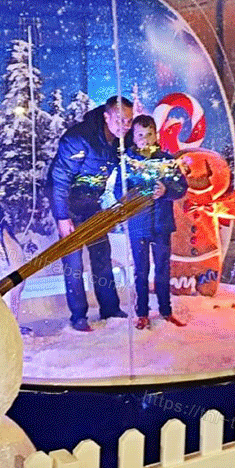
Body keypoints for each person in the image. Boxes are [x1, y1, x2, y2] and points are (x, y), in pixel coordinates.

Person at [47, 95, 133, 332]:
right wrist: (62, 217)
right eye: (119, 120)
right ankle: (78, 316)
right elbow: (59, 180)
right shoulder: (78, 139)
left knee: (101, 255)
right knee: (74, 262)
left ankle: (110, 308)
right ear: (106, 117)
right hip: (68, 204)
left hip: (92, 204)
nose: (124, 126)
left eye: (128, 121)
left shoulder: (120, 141)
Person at [114, 114, 188, 329]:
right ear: (133, 137)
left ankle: (166, 310)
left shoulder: (167, 160)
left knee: (163, 268)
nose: (145, 140)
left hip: (162, 224)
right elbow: (120, 189)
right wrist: (133, 197)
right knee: (141, 269)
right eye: (140, 135)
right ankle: (142, 313)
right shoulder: (127, 163)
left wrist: (166, 191)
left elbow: (181, 187)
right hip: (138, 225)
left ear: (156, 135)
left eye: (149, 135)